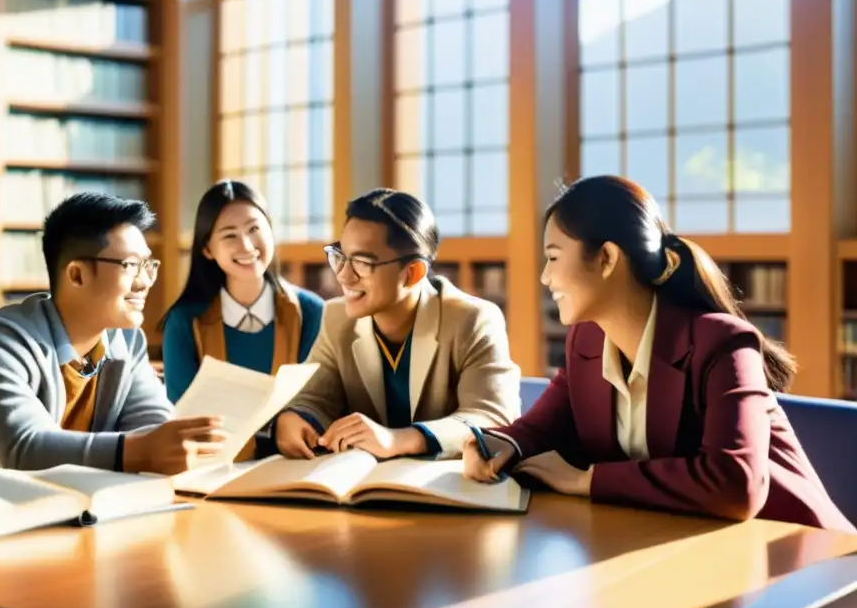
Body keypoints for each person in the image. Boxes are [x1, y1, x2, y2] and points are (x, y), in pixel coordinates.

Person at [463, 175, 854, 533]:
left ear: (607, 258)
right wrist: (497, 448)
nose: (545, 278)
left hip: (806, 563)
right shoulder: (587, 341)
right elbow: (540, 430)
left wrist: (587, 481)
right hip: (685, 550)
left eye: (552, 257)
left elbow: (735, 483)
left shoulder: (722, 343)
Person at [0, 192, 225, 478]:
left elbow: (154, 427)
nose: (144, 282)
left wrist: (177, 443)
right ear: (77, 274)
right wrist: (142, 451)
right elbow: (24, 449)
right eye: (131, 265)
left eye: (148, 265)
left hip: (53, 514)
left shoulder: (127, 342)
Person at [275, 188, 521, 461]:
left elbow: (493, 416)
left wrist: (401, 439)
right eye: (340, 257)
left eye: (362, 262)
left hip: (445, 489)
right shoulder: (336, 318)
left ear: (413, 273)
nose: (343, 276)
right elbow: (314, 397)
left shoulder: (473, 319)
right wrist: (294, 418)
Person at [159, 180, 324, 458]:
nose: (246, 245)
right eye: (229, 235)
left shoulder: (310, 312)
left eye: (254, 229)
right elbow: (184, 422)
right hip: (212, 469)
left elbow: (318, 403)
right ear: (208, 249)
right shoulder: (184, 322)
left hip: (295, 463)